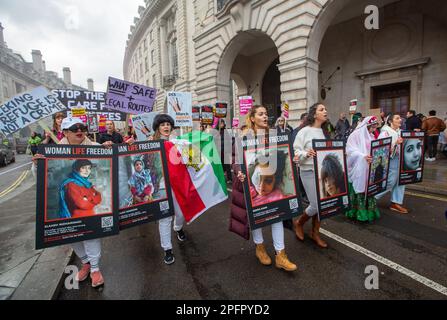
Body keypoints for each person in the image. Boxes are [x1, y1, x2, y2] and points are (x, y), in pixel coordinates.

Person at [32, 117, 105, 288]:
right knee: (71, 236)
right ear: (65, 132)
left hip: (86, 212)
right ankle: (86, 262)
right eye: (74, 128)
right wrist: (37, 165)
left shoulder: (96, 148)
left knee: (91, 236)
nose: (79, 130)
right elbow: (43, 180)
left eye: (82, 127)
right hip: (67, 208)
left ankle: (95, 269)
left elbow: (96, 196)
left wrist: (110, 150)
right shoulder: (54, 151)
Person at [230, 105, 297, 271]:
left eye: (266, 113)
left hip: (271, 184)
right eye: (261, 114)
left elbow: (282, 154)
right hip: (250, 185)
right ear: (252, 118)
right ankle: (259, 248)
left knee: (277, 216)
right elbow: (235, 160)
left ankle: (281, 254)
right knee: (257, 218)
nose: (265, 116)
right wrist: (239, 171)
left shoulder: (275, 135)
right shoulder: (243, 137)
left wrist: (291, 158)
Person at [150, 114, 187, 265]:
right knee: (164, 217)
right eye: (162, 124)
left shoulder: (177, 142)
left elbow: (187, 159)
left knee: (181, 213)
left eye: (168, 124)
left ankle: (178, 227)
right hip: (161, 186)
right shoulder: (150, 144)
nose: (166, 127)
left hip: (177, 185)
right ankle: (167, 249)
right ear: (157, 127)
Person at [292, 103, 329, 248]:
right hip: (307, 171)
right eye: (321, 109)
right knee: (315, 205)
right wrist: (306, 153)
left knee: (322, 204)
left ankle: (315, 233)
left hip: (323, 172)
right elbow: (296, 152)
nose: (325, 111)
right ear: (314, 114)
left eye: (325, 109)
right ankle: (299, 223)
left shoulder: (325, 132)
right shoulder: (304, 131)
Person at [345, 116, 381, 222]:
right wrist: (362, 156)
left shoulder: (371, 136)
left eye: (375, 128)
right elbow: (350, 150)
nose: (374, 130)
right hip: (359, 167)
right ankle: (357, 211)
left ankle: (369, 209)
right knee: (360, 188)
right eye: (372, 127)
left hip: (369, 166)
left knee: (368, 187)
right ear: (367, 126)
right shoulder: (355, 135)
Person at [375, 113, 408, 214]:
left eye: (400, 118)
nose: (400, 120)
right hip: (390, 160)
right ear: (390, 121)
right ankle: (372, 197)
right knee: (390, 182)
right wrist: (395, 144)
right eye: (397, 118)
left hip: (401, 159)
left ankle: (395, 202)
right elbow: (379, 150)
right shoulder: (385, 133)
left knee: (401, 181)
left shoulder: (401, 132)